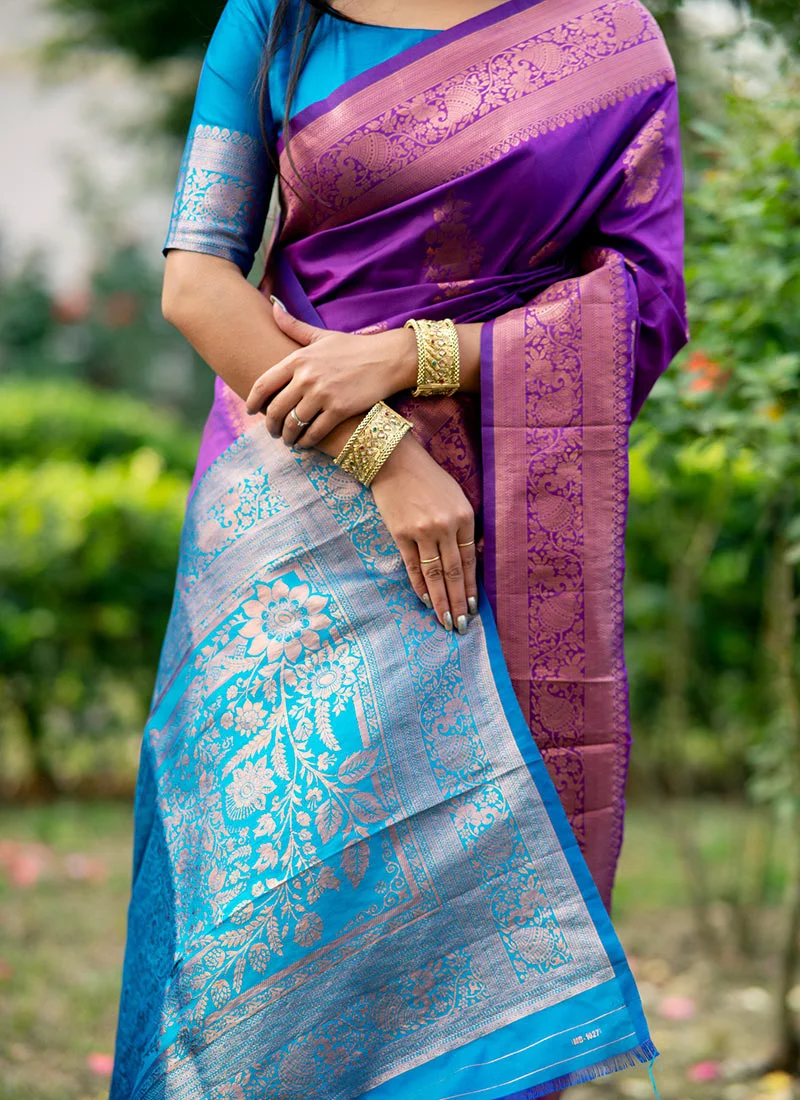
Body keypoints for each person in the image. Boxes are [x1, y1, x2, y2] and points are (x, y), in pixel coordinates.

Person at [110, 0, 689, 1095]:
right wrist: (382, 451)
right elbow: (196, 281)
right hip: (292, 500)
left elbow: (645, 302)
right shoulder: (274, 21)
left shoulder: (605, 36)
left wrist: (409, 357)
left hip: (510, 507)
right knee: (267, 895)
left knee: (471, 894)